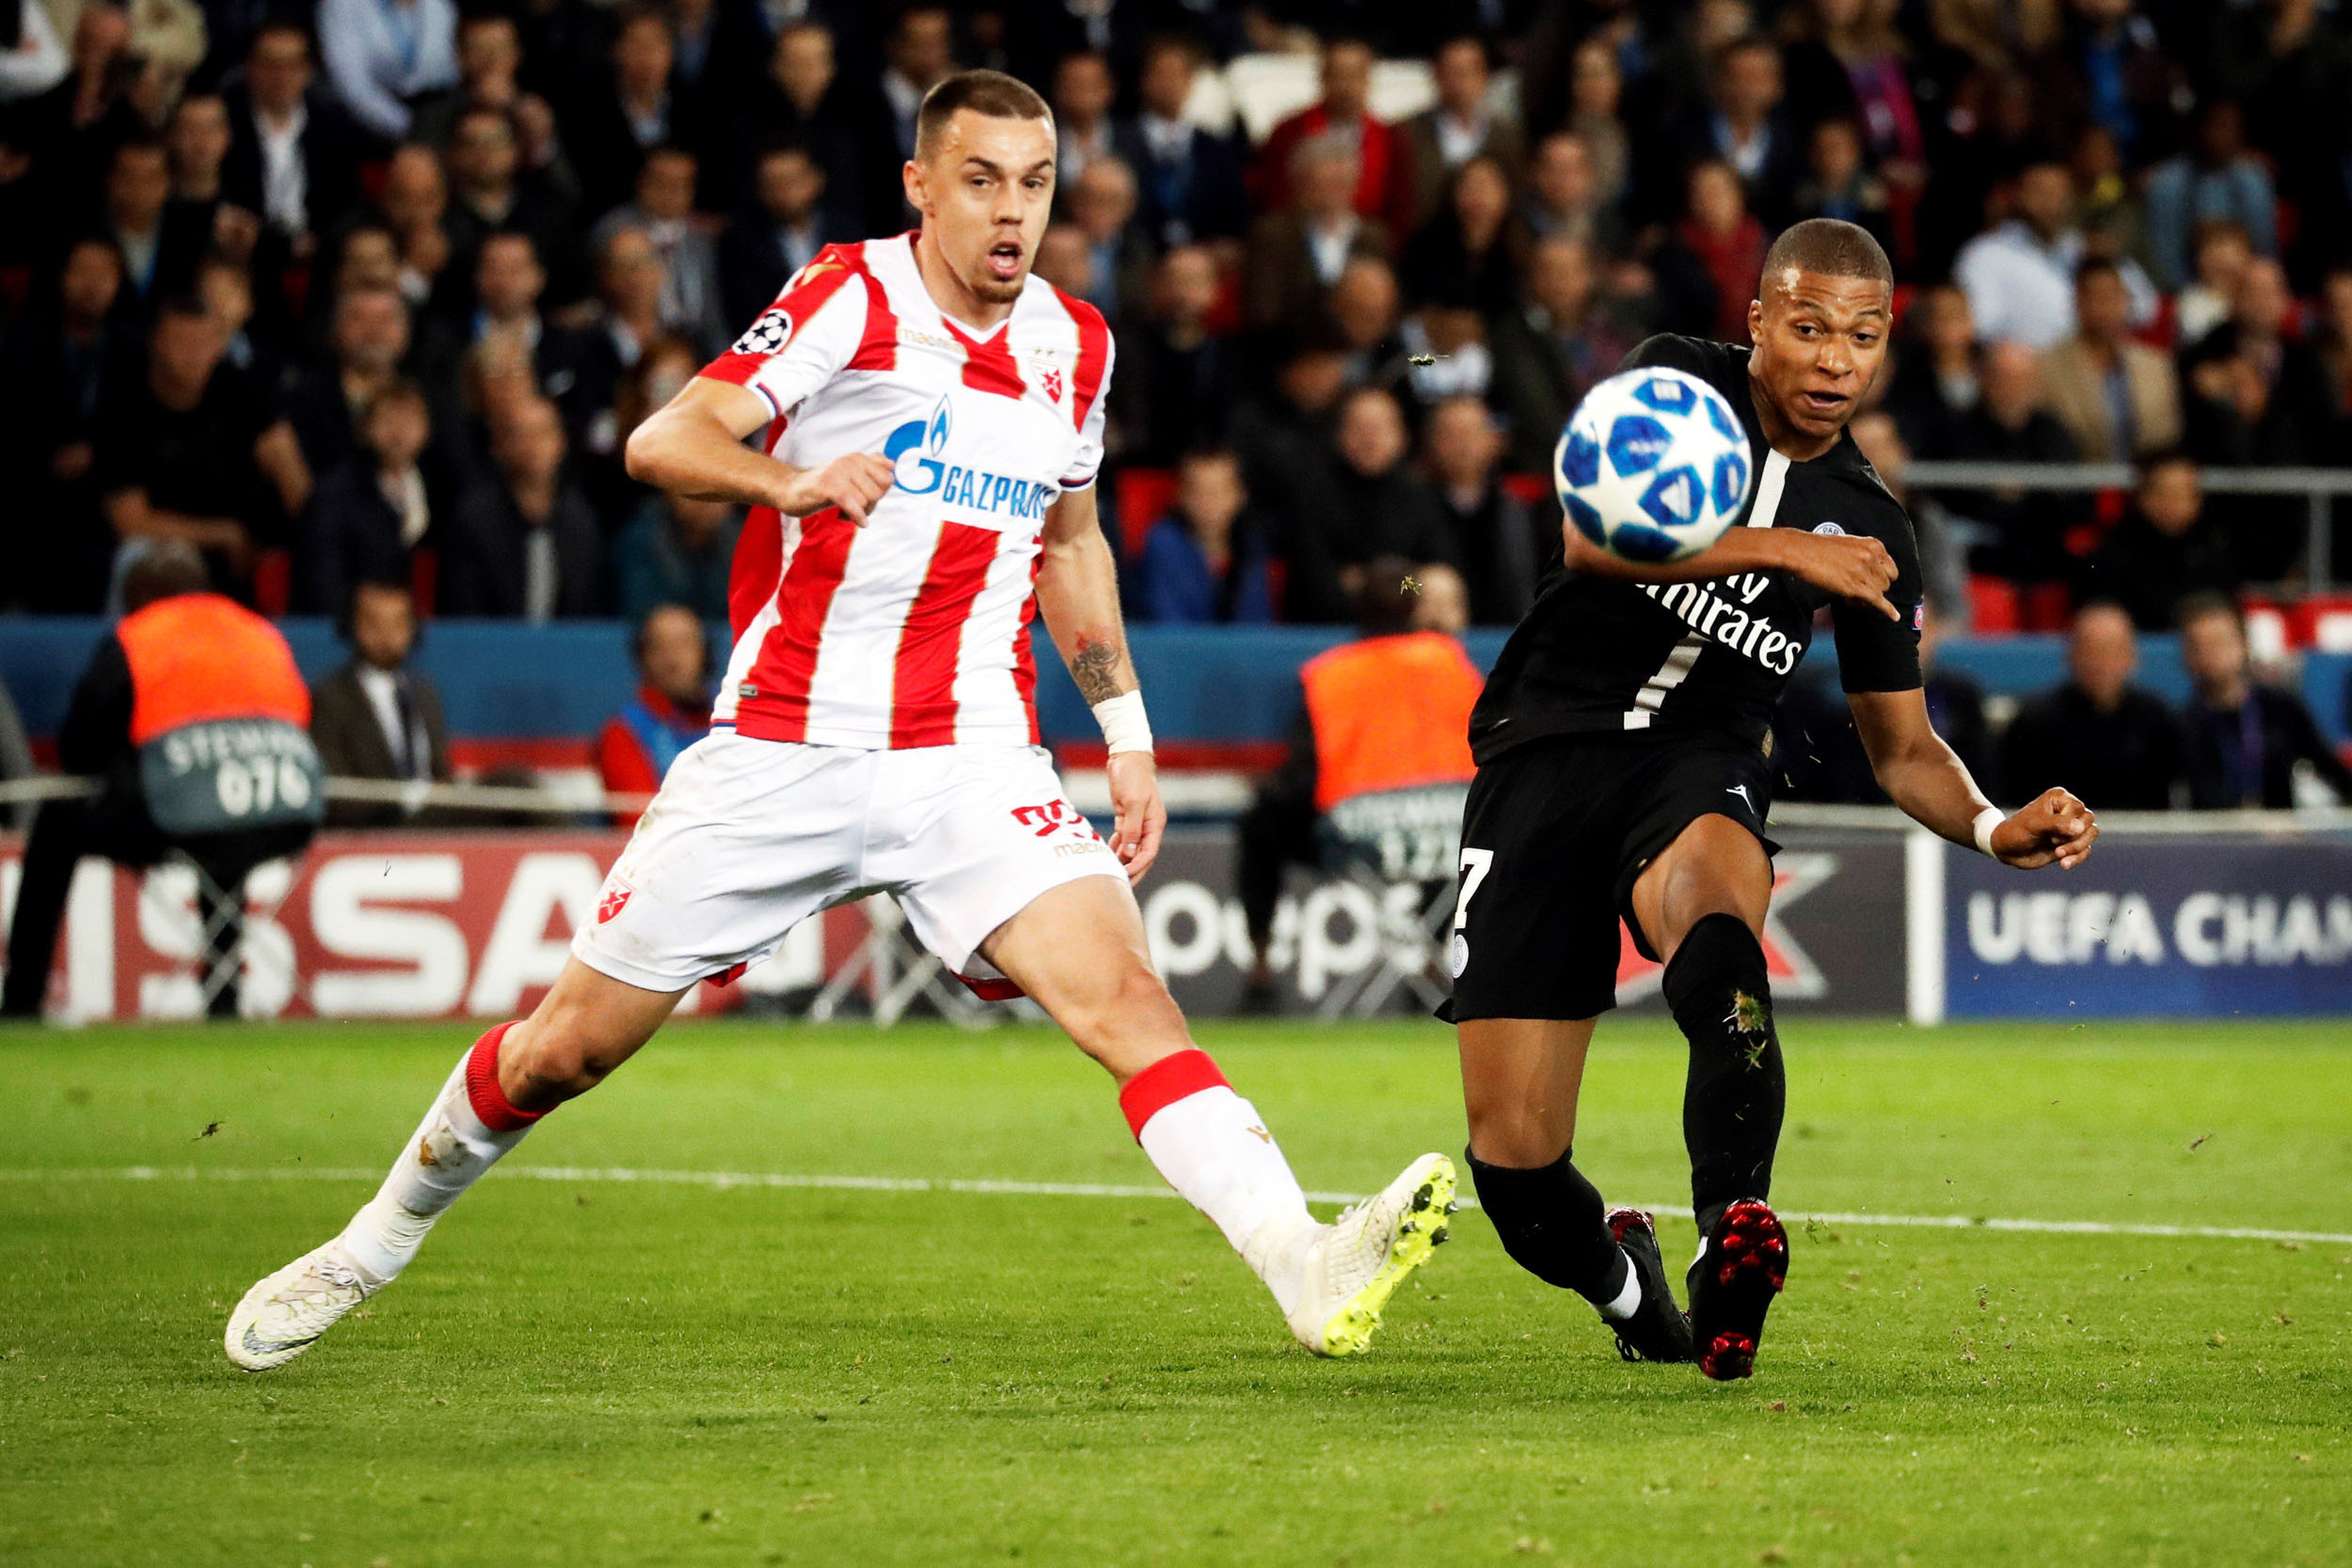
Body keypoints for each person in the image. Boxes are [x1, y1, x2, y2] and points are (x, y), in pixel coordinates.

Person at [228, 70, 1454, 1374]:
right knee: (560, 1051)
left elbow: (1074, 538)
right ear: (922, 184)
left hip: (973, 758)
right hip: (782, 748)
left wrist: (1128, 728)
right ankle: (371, 1241)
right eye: (980, 180)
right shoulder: (847, 295)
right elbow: (663, 437)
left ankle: (1303, 1261)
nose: (1011, 213)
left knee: (1129, 1000)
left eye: (1034, 184)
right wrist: (788, 477)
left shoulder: (1078, 345)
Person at [1450, 219, 2098, 1382]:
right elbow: (1591, 539)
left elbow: (1900, 751)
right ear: (1756, 322)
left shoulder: (1874, 527)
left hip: (1697, 758)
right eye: (1807, 328)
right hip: (1542, 750)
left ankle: (1731, 1230)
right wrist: (1779, 548)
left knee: (1717, 914)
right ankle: (1623, 1279)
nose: (1835, 359)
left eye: (1862, 336)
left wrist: (1997, 823)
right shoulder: (1675, 381)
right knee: (1514, 1168)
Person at [2, 544, 317, 1021]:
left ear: (143, 596)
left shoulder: (140, 636)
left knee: (58, 824)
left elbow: (80, 747)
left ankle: (22, 1001)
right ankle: (224, 1000)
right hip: (288, 818)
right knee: (222, 829)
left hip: (183, 818)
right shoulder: (261, 632)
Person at [1235, 561, 1483, 1005]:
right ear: (1416, 608)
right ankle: (1429, 963)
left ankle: (1260, 970)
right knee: (1448, 849)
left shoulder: (1331, 675)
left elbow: (1302, 779)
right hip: (1455, 830)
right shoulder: (1452, 663)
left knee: (1260, 824)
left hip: (1361, 837)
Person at [1998, 601, 2182, 810]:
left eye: (2113, 650)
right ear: (2071, 655)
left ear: (2133, 656)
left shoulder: (2157, 718)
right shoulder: (2035, 721)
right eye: (2091, 651)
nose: (2102, 662)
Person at [2176, 593, 2352, 811]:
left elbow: (2330, 770)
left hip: (2279, 837)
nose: (2210, 654)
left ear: (2243, 644)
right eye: (2198, 645)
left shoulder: (2281, 709)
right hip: (2211, 839)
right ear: (2186, 655)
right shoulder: (2179, 726)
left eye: (2220, 642)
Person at [308, 578, 453, 827]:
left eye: (398, 623)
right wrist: (401, 801)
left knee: (512, 785)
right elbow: (336, 789)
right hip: (376, 827)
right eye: (375, 623)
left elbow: (442, 774)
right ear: (354, 625)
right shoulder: (330, 697)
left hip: (435, 823)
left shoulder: (425, 693)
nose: (387, 635)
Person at [297, 379, 437, 617]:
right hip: (352, 627)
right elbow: (323, 577)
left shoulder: (441, 489)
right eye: (388, 420)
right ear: (365, 428)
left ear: (426, 429)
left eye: (409, 420)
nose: (398, 432)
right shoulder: (334, 494)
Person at [2037, 257, 2183, 463]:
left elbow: (2168, 434)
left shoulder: (2156, 365)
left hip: (2145, 484)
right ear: (2078, 303)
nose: (2107, 307)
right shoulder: (2047, 367)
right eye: (2097, 297)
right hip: (2080, 486)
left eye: (2115, 295)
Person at [2079, 451, 2235, 631]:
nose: (2176, 503)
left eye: (2186, 494)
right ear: (2142, 497)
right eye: (2167, 493)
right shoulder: (2114, 550)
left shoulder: (2213, 545)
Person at [596, 603, 713, 825]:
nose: (673, 660)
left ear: (704, 653)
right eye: (660, 648)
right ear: (643, 658)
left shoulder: (730, 723)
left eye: (684, 644)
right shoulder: (624, 732)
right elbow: (640, 822)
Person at [1136, 447, 1272, 625]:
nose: (1209, 503)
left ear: (1241, 495)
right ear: (1180, 495)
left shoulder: (1250, 547)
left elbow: (1258, 626)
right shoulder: (1163, 545)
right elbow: (1168, 624)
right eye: (1198, 492)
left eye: (1220, 491)